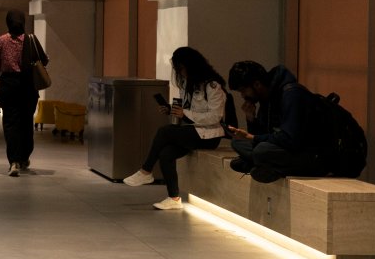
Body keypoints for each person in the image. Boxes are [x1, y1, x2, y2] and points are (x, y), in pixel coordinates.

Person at [124, 47, 228, 207]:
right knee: (166, 154)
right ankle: (173, 198)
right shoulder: (187, 84)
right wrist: (172, 110)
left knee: (164, 132)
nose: (180, 73)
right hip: (193, 131)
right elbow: (188, 111)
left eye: (181, 68)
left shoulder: (212, 86)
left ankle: (146, 170)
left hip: (209, 136)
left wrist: (185, 113)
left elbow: (215, 117)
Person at [226, 60, 326, 182]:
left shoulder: (292, 95)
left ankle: (266, 166)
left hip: (308, 153)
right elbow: (264, 134)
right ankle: (266, 165)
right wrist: (251, 119)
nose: (243, 95)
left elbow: (290, 139)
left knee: (261, 151)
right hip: (283, 148)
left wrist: (252, 138)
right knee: (237, 142)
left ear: (257, 84)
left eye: (243, 90)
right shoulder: (266, 98)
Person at [0, 10, 48, 176]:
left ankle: (13, 161)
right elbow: (45, 60)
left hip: (9, 84)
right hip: (28, 85)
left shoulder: (0, 41)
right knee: (27, 121)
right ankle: (24, 157)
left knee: (10, 122)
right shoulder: (31, 40)